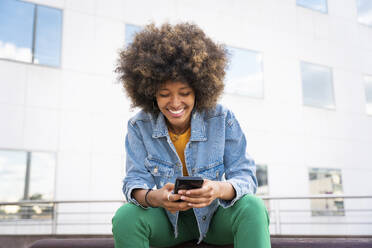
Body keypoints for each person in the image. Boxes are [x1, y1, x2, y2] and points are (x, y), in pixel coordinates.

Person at [112, 22, 271, 248]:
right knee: (126, 217)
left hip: (216, 218)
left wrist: (216, 189)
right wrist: (157, 197)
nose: (175, 103)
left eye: (185, 93)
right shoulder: (139, 125)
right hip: (165, 222)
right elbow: (135, 180)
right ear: (150, 93)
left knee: (254, 207)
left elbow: (245, 176)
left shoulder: (222, 118)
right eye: (164, 94)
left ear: (200, 89)